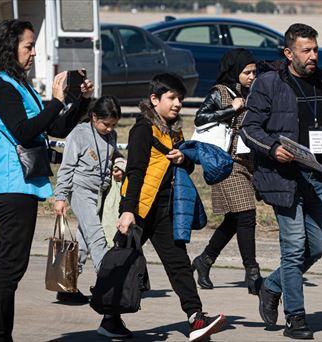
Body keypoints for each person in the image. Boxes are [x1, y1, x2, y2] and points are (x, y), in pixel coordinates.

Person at [0, 19, 92, 341]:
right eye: (28, 47)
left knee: (11, 267)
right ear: (9, 48)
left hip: (22, 185)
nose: (32, 54)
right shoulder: (1, 85)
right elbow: (24, 132)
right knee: (10, 267)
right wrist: (55, 101)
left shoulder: (19, 85)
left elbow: (54, 129)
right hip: (9, 184)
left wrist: (79, 101)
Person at [241, 23, 322, 340]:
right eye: (307, 50)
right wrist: (273, 148)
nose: (314, 55)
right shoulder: (269, 83)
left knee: (316, 246)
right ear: (289, 53)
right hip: (283, 177)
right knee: (293, 250)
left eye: (316, 49)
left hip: (314, 175)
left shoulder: (320, 83)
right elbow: (250, 129)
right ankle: (296, 318)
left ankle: (272, 286)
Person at [116, 73, 226, 341]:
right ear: (155, 100)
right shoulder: (143, 129)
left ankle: (195, 317)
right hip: (138, 208)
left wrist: (182, 159)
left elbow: (187, 165)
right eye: (172, 98)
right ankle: (109, 317)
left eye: (181, 99)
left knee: (178, 263)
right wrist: (128, 210)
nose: (177, 104)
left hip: (166, 209)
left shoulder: (173, 129)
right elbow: (135, 171)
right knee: (121, 265)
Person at [191, 48, 262, 294]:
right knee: (247, 214)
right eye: (247, 72)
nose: (252, 76)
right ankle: (252, 272)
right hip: (225, 162)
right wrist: (232, 109)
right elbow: (200, 118)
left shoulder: (252, 92)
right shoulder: (220, 92)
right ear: (234, 71)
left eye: (254, 71)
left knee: (235, 218)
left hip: (246, 163)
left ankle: (205, 260)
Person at [53, 96, 124, 305]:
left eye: (113, 125)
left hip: (99, 193)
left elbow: (113, 155)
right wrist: (60, 197)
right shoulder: (79, 134)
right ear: (94, 117)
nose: (110, 129)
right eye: (106, 124)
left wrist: (119, 164)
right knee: (96, 236)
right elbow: (66, 167)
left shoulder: (111, 135)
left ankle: (66, 286)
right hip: (80, 189)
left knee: (83, 241)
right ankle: (108, 284)